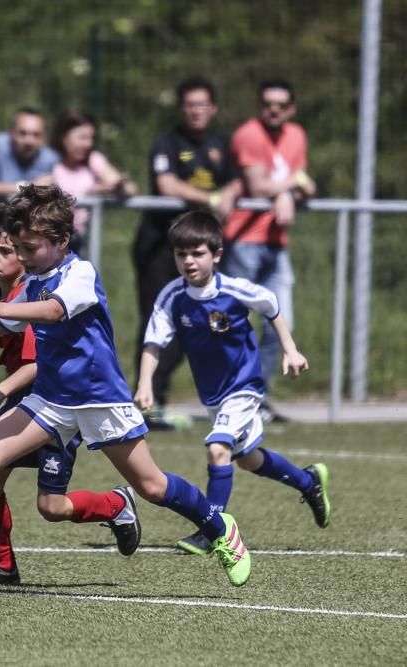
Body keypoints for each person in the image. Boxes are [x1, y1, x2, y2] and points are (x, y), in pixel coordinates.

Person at [0, 185, 252, 588]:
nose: (21, 257)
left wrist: (3, 306)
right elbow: (4, 323)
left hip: (98, 399)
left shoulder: (80, 273)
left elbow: (53, 311)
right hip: (51, 399)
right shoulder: (36, 278)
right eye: (17, 248)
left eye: (29, 247)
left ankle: (220, 529)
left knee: (152, 486)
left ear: (61, 240)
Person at [0, 209, 140, 586]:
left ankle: (117, 504)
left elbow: (38, 362)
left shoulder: (36, 294)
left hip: (52, 402)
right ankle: (0, 566)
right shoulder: (4, 296)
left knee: (49, 506)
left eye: (7, 250)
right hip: (28, 403)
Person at [135, 211, 331, 554]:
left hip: (244, 386)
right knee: (248, 459)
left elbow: (271, 306)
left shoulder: (234, 290)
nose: (189, 261)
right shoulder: (172, 296)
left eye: (197, 253)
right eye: (182, 254)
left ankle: (213, 530)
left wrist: (290, 349)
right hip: (214, 395)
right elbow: (154, 341)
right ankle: (308, 481)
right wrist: (144, 383)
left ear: (217, 255)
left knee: (217, 448)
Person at [132, 76, 242, 429]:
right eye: (190, 104)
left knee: (190, 324)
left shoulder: (222, 144)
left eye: (202, 104)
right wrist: (211, 198)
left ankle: (151, 401)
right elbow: (167, 185)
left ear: (213, 108)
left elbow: (239, 179)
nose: (196, 110)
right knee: (157, 321)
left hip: (196, 250)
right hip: (159, 248)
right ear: (182, 109)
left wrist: (231, 191)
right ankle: (146, 402)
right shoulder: (166, 143)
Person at [222, 80, 315, 423]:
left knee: (281, 324)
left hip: (277, 244)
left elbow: (302, 178)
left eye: (280, 105)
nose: (273, 110)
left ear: (291, 108)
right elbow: (259, 184)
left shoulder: (296, 135)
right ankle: (229, 395)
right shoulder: (249, 133)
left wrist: (292, 190)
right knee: (234, 323)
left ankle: (258, 397)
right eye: (267, 103)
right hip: (245, 241)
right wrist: (288, 190)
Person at [51, 109, 136, 252]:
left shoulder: (93, 160)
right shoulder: (50, 161)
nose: (88, 144)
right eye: (82, 137)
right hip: (50, 239)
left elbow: (129, 188)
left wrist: (115, 187)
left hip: (79, 241)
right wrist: (89, 191)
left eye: (91, 138)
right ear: (63, 137)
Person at [0, 108, 57, 197]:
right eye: (23, 133)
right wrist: (26, 187)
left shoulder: (51, 159)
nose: (29, 141)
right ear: (11, 133)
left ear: (44, 137)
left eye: (36, 135)